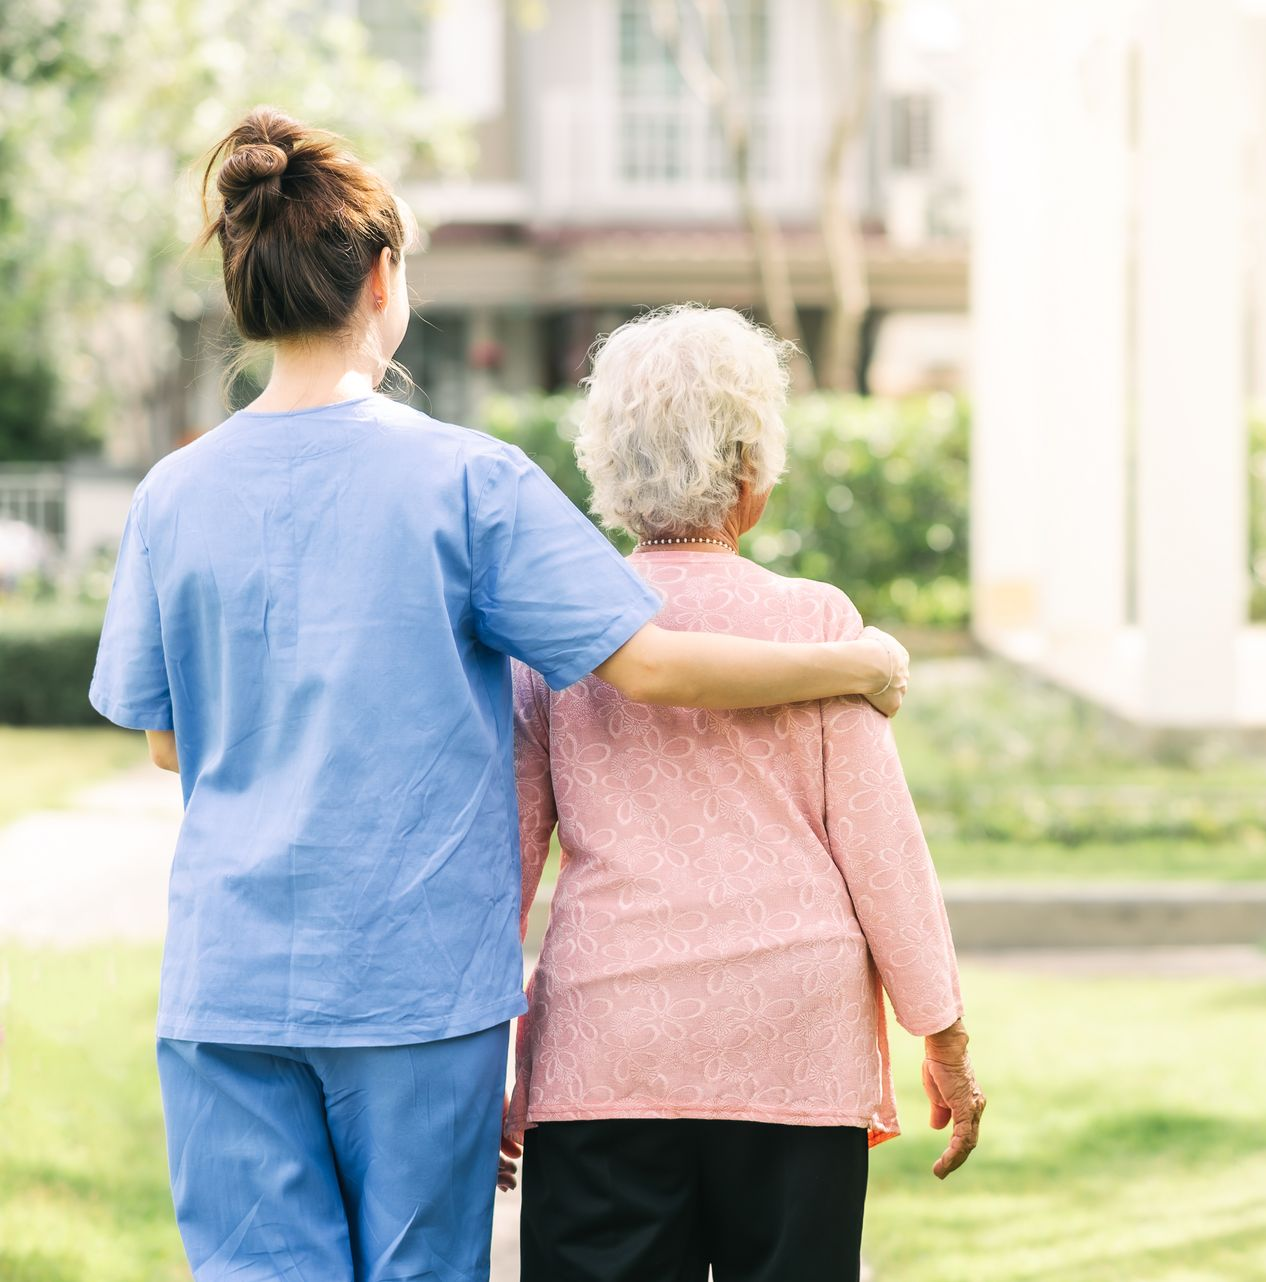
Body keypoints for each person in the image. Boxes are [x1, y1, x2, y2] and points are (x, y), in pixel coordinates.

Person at [88, 108, 911, 1282]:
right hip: (414, 990)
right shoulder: (466, 479)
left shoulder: (171, 494)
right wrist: (852, 663)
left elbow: (170, 742)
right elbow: (649, 662)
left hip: (227, 984)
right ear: (383, 278)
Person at [503, 305, 985, 1282]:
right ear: (750, 473)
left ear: (609, 464)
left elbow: (499, 867)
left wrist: (485, 1066)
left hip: (606, 1048)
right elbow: (882, 856)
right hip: (792, 1045)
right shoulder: (816, 625)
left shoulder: (558, 638)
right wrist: (944, 1039)